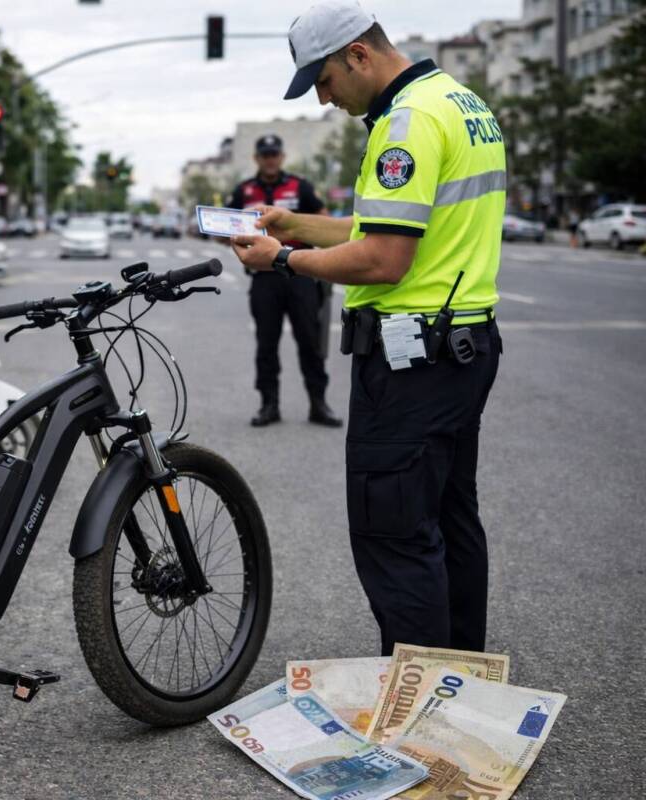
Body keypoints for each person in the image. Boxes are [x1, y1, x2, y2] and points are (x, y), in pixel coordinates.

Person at [230, 0, 504, 656]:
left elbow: (383, 259)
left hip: (414, 359)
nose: (324, 99)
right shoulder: (457, 102)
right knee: (449, 519)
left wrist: (285, 259)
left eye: (323, 80)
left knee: (395, 534)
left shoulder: (404, 124)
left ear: (358, 54)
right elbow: (389, 227)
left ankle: (418, 710)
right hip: (463, 344)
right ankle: (458, 674)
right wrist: (295, 225)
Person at [228, 134, 341, 428]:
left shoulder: (299, 186)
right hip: (265, 278)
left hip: (300, 272)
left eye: (274, 154)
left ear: (281, 157)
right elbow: (224, 227)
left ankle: (319, 403)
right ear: (257, 158)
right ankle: (269, 404)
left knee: (310, 340)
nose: (270, 159)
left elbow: (323, 218)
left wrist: (301, 228)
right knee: (266, 343)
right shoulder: (245, 190)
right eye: (264, 155)